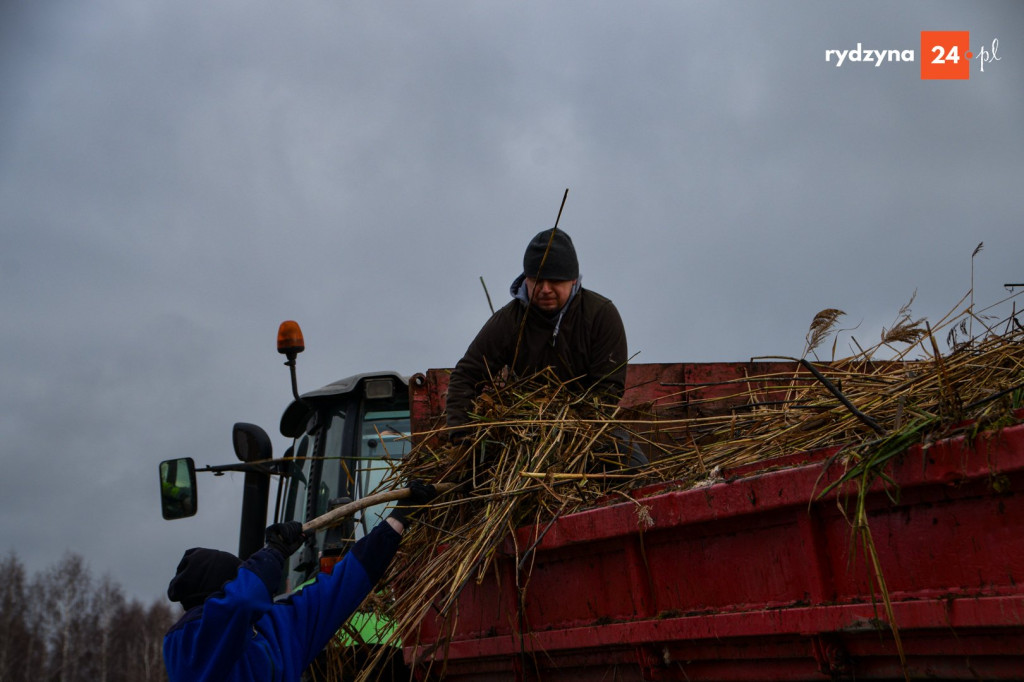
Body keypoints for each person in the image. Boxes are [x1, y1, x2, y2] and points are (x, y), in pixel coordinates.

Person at [163, 481, 436, 682]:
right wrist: (272, 554)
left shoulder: (275, 627)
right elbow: (242, 602)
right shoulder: (187, 643)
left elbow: (344, 584)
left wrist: (399, 520)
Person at [446, 228, 644, 466]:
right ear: (526, 279)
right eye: (538, 280)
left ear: (573, 279)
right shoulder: (508, 321)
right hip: (520, 433)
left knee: (634, 464)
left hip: (587, 431)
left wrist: (567, 430)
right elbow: (466, 374)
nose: (545, 289)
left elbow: (607, 389)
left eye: (555, 280)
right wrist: (462, 436)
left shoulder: (601, 315)